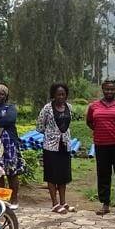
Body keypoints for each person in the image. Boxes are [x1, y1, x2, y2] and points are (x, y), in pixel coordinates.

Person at [87, 79, 115, 217]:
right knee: (103, 174)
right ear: (102, 89)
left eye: (112, 89)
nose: (109, 92)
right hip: (101, 145)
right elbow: (90, 122)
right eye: (107, 89)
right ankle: (105, 204)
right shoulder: (94, 106)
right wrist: (100, 130)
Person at [37, 83, 75, 214]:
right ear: (53, 95)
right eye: (58, 94)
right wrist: (51, 134)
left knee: (64, 175)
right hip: (51, 147)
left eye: (63, 94)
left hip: (65, 146)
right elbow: (40, 127)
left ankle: (63, 202)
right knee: (52, 175)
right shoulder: (47, 108)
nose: (61, 97)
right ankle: (54, 203)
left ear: (66, 95)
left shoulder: (69, 107)